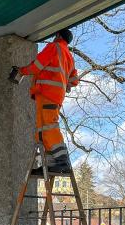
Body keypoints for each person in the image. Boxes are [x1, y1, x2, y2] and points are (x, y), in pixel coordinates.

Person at [12, 28, 79, 173]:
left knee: (49, 126)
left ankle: (62, 161)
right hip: (53, 95)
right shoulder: (69, 56)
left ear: (58, 35)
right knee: (42, 129)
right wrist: (64, 84)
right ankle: (48, 164)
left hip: (47, 92)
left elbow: (37, 66)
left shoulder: (53, 47)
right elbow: (74, 80)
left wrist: (22, 71)